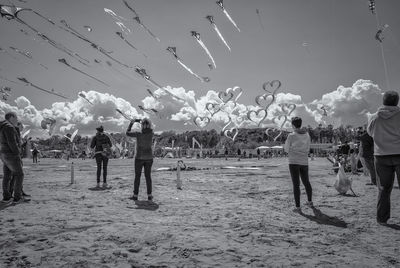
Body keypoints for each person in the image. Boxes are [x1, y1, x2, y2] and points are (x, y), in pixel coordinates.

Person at [367, 90, 400, 225]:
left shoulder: (374, 117)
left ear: (383, 101)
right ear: (397, 101)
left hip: (381, 155)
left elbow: (370, 132)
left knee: (383, 189)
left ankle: (382, 219)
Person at [284, 117, 313, 213]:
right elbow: (308, 148)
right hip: (304, 161)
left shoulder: (291, 135)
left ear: (293, 125)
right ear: (300, 124)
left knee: (296, 185)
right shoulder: (307, 135)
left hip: (293, 161)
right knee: (306, 182)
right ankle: (309, 201)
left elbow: (286, 149)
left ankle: (298, 207)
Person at [0, 112, 29, 203]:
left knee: (7, 176)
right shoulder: (9, 127)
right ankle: (17, 197)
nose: (17, 119)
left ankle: (6, 197)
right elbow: (12, 143)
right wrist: (18, 153)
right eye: (16, 117)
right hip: (11, 154)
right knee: (19, 175)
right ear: (11, 117)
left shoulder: (2, 126)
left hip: (4, 154)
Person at [126, 118, 154, 201]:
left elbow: (127, 133)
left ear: (142, 125)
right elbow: (148, 128)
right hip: (149, 157)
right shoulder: (151, 133)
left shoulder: (138, 133)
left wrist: (131, 123)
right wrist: (142, 121)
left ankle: (135, 195)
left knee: (137, 177)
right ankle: (149, 195)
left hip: (139, 157)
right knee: (148, 176)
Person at [9, 121, 30, 198]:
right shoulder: (14, 134)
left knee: (16, 176)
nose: (23, 128)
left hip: (18, 157)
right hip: (15, 158)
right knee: (16, 176)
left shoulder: (17, 135)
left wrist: (25, 143)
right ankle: (14, 193)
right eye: (21, 127)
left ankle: (18, 191)